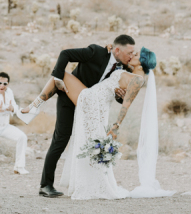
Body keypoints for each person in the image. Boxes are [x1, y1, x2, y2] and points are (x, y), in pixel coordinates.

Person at [21, 45, 174, 200]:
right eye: (131, 53)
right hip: (94, 102)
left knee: (61, 75)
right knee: (84, 141)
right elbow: (114, 82)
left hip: (91, 101)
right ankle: (85, 183)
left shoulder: (137, 80)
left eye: (135, 55)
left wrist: (116, 125)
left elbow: (126, 104)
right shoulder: (127, 72)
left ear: (141, 62)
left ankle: (34, 106)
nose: (132, 55)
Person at [18, 35, 136, 197]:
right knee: (61, 139)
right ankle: (45, 185)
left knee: (87, 142)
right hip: (70, 98)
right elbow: (65, 54)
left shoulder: (123, 70)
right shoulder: (96, 52)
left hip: (91, 109)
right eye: (129, 52)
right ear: (117, 49)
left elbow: (112, 92)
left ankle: (87, 183)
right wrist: (58, 78)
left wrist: (119, 95)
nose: (131, 56)